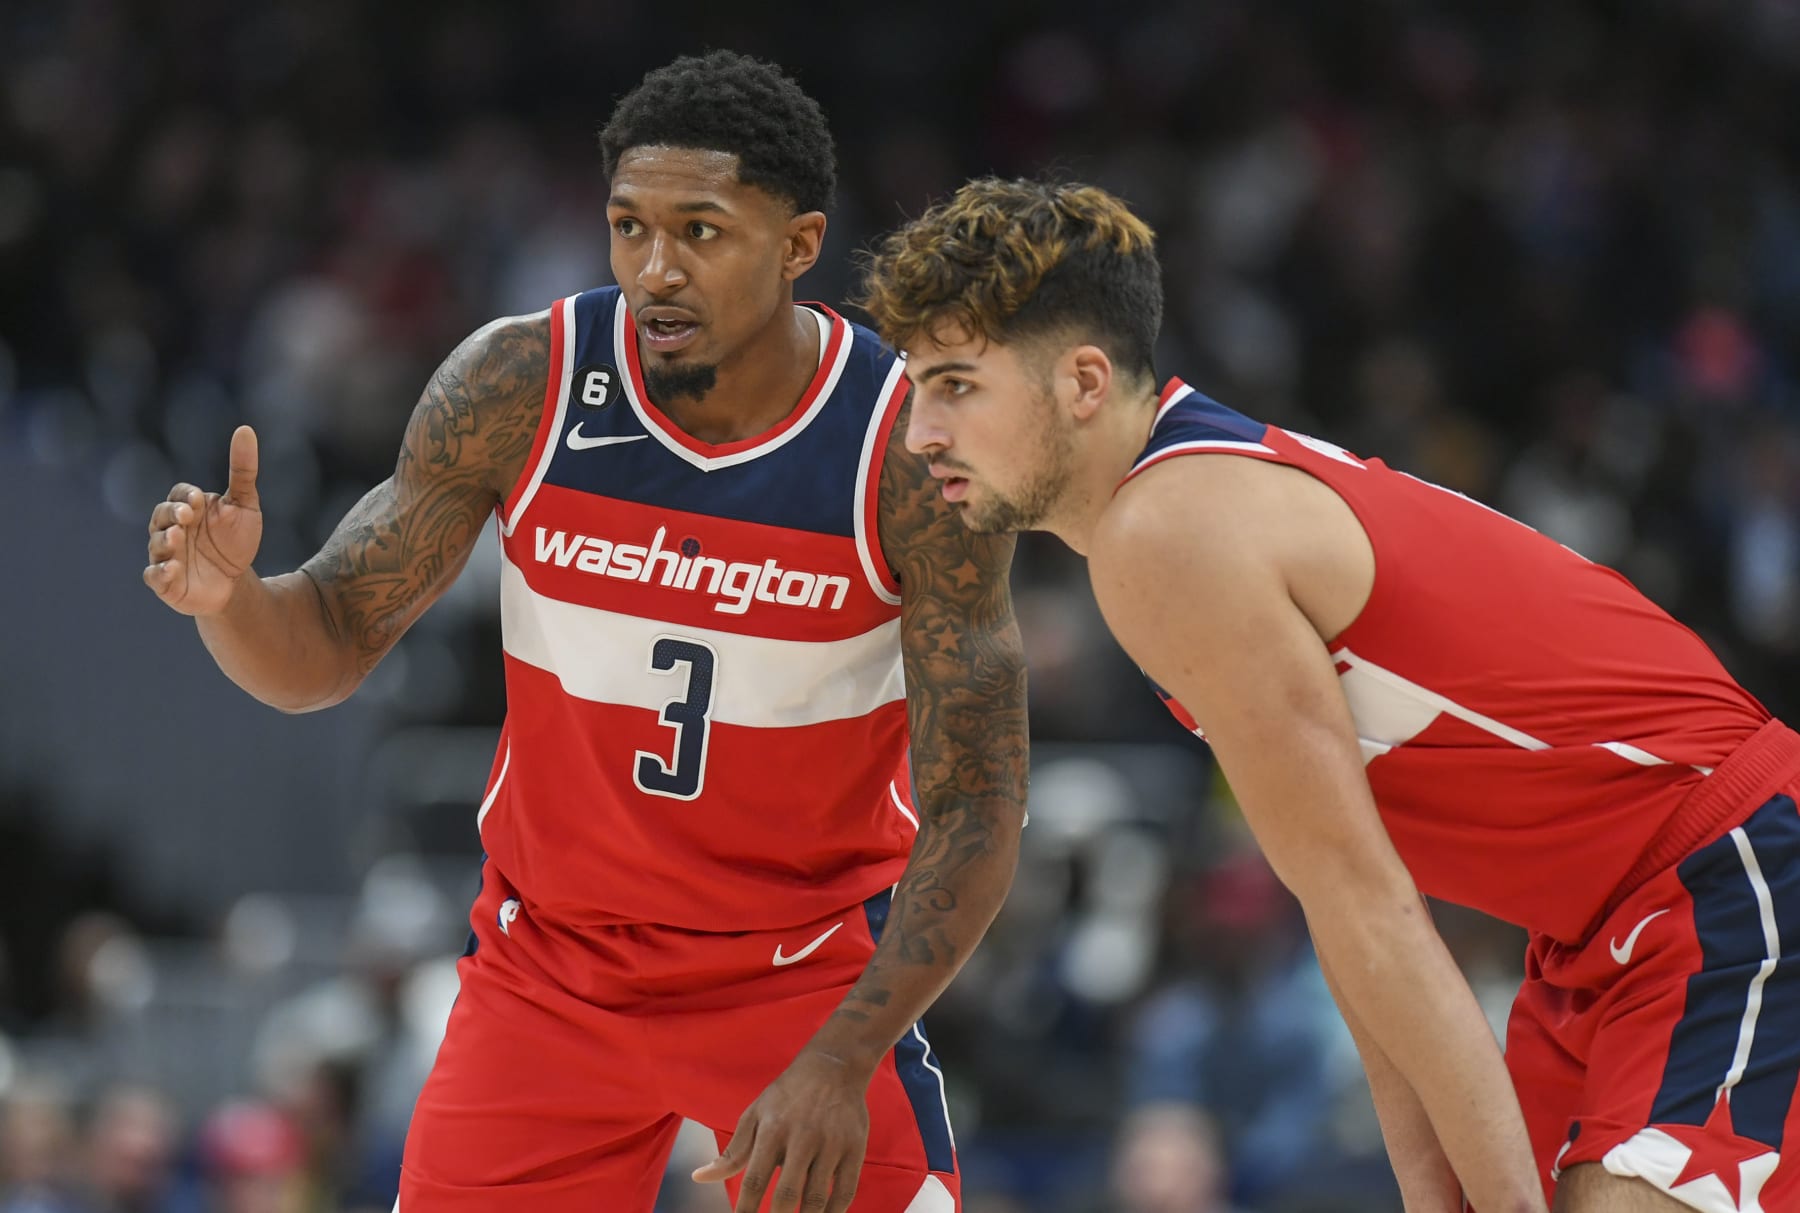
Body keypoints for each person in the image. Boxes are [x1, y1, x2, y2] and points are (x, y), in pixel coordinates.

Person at [141, 53, 1029, 1213]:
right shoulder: (523, 381)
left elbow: (981, 801)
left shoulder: (910, 443)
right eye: (628, 228)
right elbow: (329, 638)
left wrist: (844, 1055)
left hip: (800, 973)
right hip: (550, 968)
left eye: (700, 232)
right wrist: (234, 601)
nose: (655, 269)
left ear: (800, 243)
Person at [856, 177, 1800, 1213]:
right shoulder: (1185, 498)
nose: (919, 434)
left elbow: (1372, 909)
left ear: (1084, 379)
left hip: (1727, 870)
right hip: (1601, 929)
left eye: (955, 384)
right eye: (915, 386)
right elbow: (1346, 906)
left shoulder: (1167, 533)